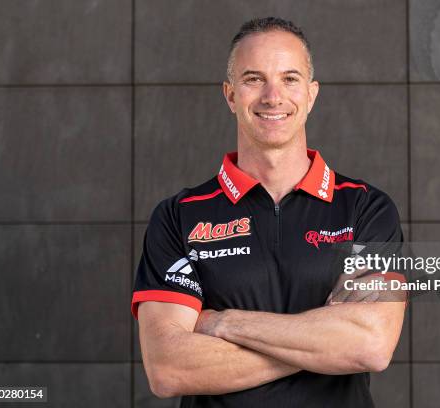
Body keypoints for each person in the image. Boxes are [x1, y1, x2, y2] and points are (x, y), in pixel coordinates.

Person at [131, 17, 406, 408]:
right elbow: (169, 368)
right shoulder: (179, 216)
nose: (272, 97)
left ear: (311, 95)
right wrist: (323, 344)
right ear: (230, 95)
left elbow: (371, 345)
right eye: (253, 79)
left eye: (290, 78)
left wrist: (222, 322)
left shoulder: (366, 208)